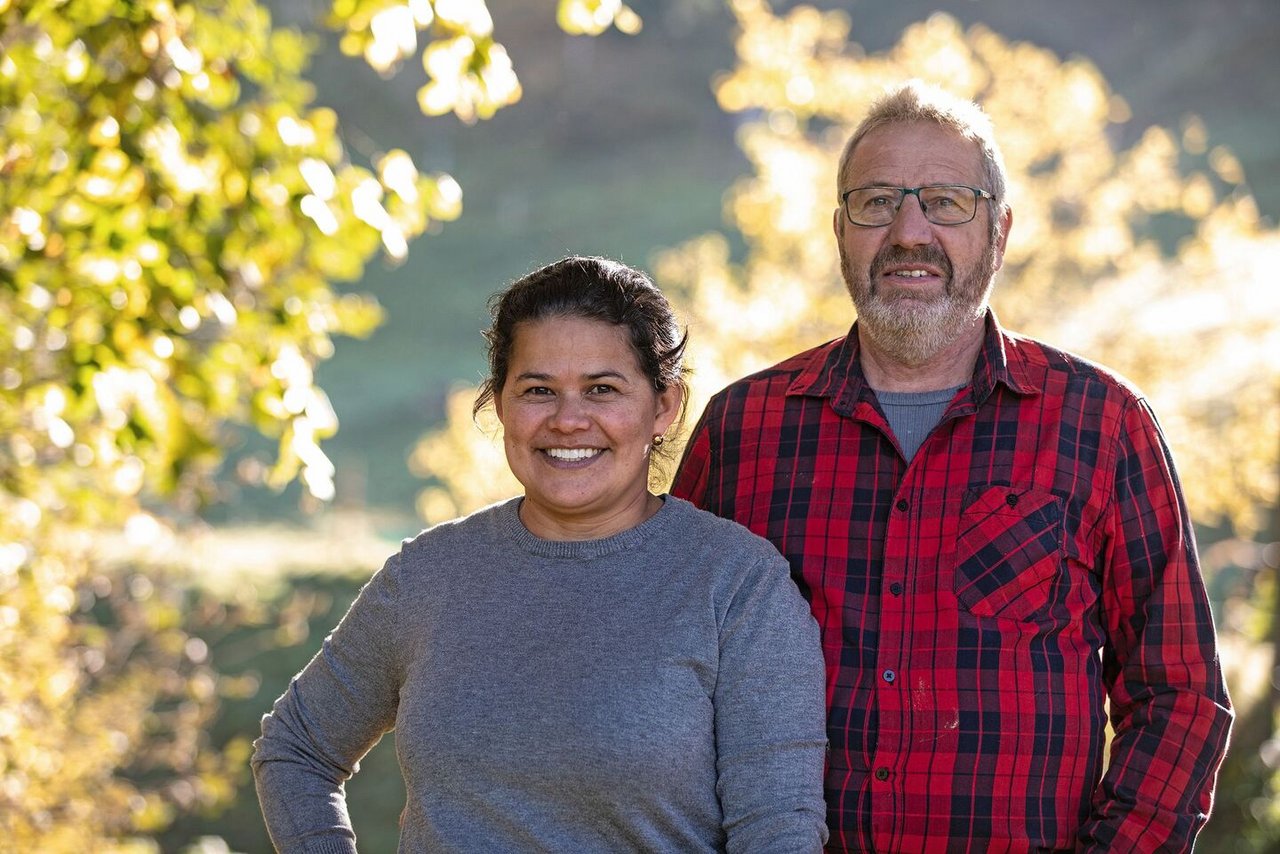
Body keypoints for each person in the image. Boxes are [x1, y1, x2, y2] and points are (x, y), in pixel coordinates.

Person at [672, 81, 1233, 852]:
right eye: (876, 202)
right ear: (839, 231)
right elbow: (671, 683)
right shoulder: (743, 431)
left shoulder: (1103, 425)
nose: (910, 232)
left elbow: (1179, 695)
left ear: (999, 232)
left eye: (945, 202)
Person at [252, 255, 829, 853]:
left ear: (664, 407)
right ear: (501, 404)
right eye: (538, 391)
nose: (568, 420)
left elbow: (778, 830)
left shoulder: (737, 585)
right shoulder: (428, 574)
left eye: (602, 389)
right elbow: (295, 749)